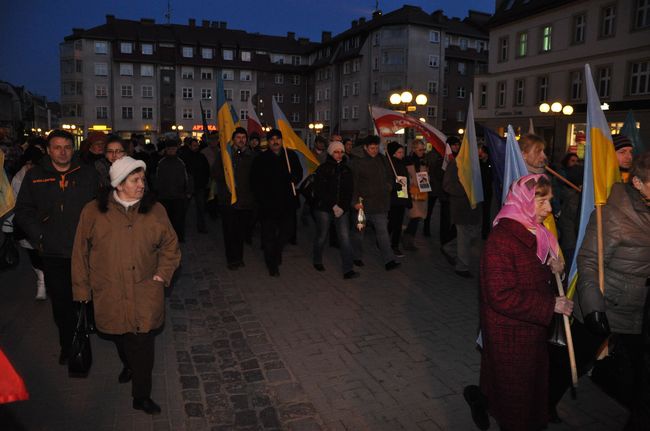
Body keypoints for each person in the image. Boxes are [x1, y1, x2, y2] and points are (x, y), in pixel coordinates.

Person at [71, 156, 180, 415]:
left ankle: (141, 395)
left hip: (145, 291)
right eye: (135, 180)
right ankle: (128, 363)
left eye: (142, 179)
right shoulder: (93, 212)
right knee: (119, 336)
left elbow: (170, 246)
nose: (142, 184)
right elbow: (80, 253)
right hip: (109, 292)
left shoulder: (156, 210)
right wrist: (82, 290)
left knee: (142, 345)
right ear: (118, 184)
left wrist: (162, 275)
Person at [477, 174, 571, 431]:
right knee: (515, 401)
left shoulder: (537, 232)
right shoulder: (501, 239)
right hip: (511, 335)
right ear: (522, 200)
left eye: (550, 201)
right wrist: (550, 305)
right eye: (541, 201)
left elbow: (536, 275)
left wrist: (556, 269)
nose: (549, 209)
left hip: (531, 331)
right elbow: (500, 295)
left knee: (529, 393)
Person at [571, 152, 650, 429]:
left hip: (642, 312)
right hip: (609, 307)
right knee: (573, 363)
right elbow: (589, 259)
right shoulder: (612, 212)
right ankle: (539, 403)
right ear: (638, 183)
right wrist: (593, 306)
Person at [14, 129, 98, 365]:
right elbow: (23, 211)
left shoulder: (88, 174)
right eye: (57, 147)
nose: (62, 151)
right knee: (61, 303)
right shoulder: (35, 176)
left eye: (67, 147)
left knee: (84, 299)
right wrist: (39, 237)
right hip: (53, 252)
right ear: (49, 150)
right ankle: (68, 344)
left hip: (84, 251)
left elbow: (102, 207)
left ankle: (83, 335)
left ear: (73, 148)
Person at [250, 129, 303, 276]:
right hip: (268, 204)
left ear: (281, 140)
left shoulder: (290, 155)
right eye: (272, 139)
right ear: (268, 141)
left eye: (277, 138)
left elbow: (299, 172)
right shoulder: (261, 159)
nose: (275, 141)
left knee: (287, 231)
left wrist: (294, 177)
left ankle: (276, 251)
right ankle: (272, 264)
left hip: (286, 202)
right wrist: (261, 198)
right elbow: (254, 181)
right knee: (268, 236)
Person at [350, 136, 400, 271]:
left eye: (376, 148)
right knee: (359, 234)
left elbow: (389, 175)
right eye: (372, 148)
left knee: (383, 233)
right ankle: (356, 256)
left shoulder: (383, 159)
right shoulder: (357, 162)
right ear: (365, 147)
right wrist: (354, 202)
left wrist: (389, 185)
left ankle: (389, 260)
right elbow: (352, 184)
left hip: (380, 204)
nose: (374, 151)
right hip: (362, 205)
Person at [2, 148, 46, 300]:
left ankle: (46, 280)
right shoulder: (18, 178)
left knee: (45, 254)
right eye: (28, 163)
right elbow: (12, 202)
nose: (30, 167)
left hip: (46, 223)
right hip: (26, 224)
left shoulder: (46, 175)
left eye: (33, 164)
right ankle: (41, 280)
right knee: (33, 253)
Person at [311, 141, 358, 279]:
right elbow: (320, 190)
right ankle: (317, 259)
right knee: (322, 236)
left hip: (342, 209)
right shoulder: (323, 168)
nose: (339, 154)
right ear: (331, 153)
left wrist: (342, 207)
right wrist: (333, 205)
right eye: (336, 152)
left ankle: (348, 269)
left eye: (341, 152)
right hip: (324, 208)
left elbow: (349, 191)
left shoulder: (346, 169)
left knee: (344, 238)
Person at [213, 127, 256, 269]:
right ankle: (231, 259)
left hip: (245, 200)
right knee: (229, 232)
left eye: (244, 137)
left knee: (240, 232)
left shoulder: (251, 156)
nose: (241, 140)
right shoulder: (224, 155)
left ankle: (239, 257)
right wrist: (227, 179)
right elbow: (215, 173)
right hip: (228, 200)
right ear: (233, 139)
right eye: (238, 137)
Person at [442, 142, 482, 278]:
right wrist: (465, 189)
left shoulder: (477, 165)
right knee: (464, 237)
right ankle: (462, 267)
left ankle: (449, 248)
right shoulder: (455, 164)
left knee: (474, 234)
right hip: (460, 207)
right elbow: (447, 185)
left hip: (474, 207)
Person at [155, 140, 192, 242]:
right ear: (166, 149)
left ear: (176, 149)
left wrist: (187, 191)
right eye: (169, 148)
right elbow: (157, 179)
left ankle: (178, 238)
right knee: (166, 220)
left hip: (178, 196)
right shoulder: (161, 163)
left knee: (179, 220)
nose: (171, 150)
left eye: (173, 148)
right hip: (164, 196)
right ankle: (167, 239)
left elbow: (186, 178)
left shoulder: (181, 162)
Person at [402, 140, 429, 250]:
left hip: (421, 194)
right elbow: (404, 179)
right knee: (414, 218)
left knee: (416, 219)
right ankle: (407, 241)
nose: (422, 151)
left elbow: (425, 178)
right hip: (411, 193)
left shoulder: (423, 161)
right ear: (413, 149)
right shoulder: (408, 161)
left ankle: (408, 239)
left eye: (423, 149)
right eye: (420, 149)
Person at [385, 142, 410, 257]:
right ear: (393, 154)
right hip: (392, 198)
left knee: (398, 223)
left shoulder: (401, 164)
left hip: (401, 197)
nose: (402, 154)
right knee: (393, 223)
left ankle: (392, 244)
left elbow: (405, 181)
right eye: (399, 152)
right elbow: (386, 181)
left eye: (402, 152)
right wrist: (395, 186)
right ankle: (389, 244)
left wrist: (406, 198)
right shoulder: (389, 164)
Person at [181, 138, 210, 233]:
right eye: (194, 145)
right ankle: (181, 228)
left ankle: (201, 226)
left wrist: (205, 182)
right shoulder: (185, 157)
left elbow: (207, 170)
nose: (196, 147)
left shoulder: (201, 156)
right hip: (189, 187)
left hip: (200, 186)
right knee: (184, 208)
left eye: (197, 145)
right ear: (189, 146)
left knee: (201, 208)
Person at [478, 144, 494, 239]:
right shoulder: (479, 163)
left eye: (482, 152)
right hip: (480, 190)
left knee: (486, 212)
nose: (480, 153)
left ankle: (486, 232)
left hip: (487, 191)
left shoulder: (491, 163)